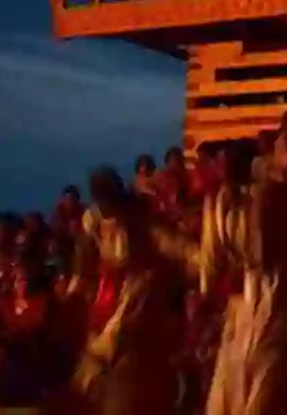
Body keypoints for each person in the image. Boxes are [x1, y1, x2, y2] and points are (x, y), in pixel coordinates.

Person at [67, 166, 191, 415]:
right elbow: (84, 263)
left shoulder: (139, 219)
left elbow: (173, 246)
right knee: (98, 357)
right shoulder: (93, 220)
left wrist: (196, 260)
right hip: (109, 294)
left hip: (140, 296)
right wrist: (74, 291)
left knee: (126, 356)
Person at [203, 142, 287, 415]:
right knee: (232, 377)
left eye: (227, 162)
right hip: (242, 299)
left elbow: (270, 247)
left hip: (272, 290)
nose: (221, 167)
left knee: (264, 370)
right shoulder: (220, 201)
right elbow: (213, 253)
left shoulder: (268, 195)